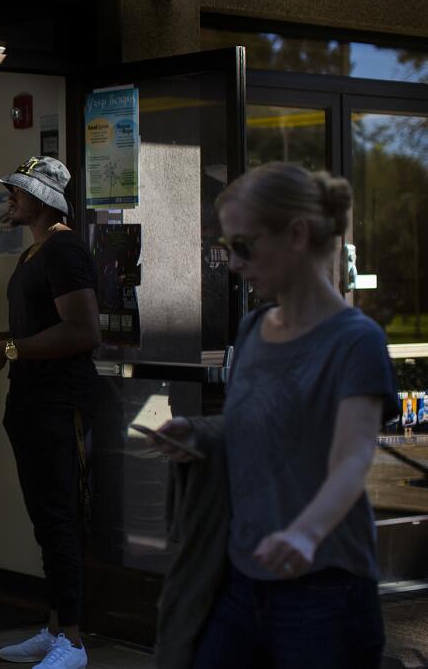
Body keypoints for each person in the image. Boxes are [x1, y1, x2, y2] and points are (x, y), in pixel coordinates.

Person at [149, 162, 397, 669]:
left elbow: (353, 458)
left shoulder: (356, 341)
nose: (233, 264)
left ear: (297, 235)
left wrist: (305, 533)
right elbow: (260, 425)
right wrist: (196, 436)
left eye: (242, 245)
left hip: (323, 593)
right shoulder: (254, 328)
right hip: (240, 582)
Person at [0, 156, 102, 669]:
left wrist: (11, 351)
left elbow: (83, 331)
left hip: (59, 404)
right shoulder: (34, 254)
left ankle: (74, 641)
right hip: (29, 403)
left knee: (61, 518)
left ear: (43, 201)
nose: (10, 198)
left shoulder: (64, 251)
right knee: (45, 519)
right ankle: (54, 627)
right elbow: (36, 329)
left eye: (17, 192)